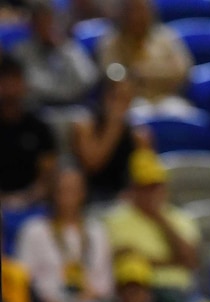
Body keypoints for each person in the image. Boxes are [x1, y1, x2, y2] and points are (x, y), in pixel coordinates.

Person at [104, 151, 201, 302]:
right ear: (134, 189)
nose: (153, 193)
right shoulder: (115, 219)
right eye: (146, 187)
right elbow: (118, 259)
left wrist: (159, 218)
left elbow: (190, 261)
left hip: (178, 292)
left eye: (157, 186)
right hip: (133, 293)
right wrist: (173, 261)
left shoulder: (181, 218)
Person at [16, 168, 114, 302]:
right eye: (63, 190)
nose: (68, 196)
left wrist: (92, 296)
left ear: (83, 193)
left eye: (73, 190)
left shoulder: (96, 231)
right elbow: (23, 279)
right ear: (53, 193)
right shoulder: (34, 231)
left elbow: (107, 283)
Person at [72, 70, 154, 203]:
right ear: (104, 96)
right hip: (89, 198)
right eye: (117, 97)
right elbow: (93, 165)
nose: (121, 105)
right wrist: (114, 125)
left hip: (125, 199)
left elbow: (147, 176)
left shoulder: (138, 134)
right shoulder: (85, 125)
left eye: (126, 98)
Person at [96, 0, 192, 110]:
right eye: (132, 11)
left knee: (181, 113)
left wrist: (142, 73)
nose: (137, 17)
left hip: (168, 98)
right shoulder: (111, 42)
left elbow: (182, 72)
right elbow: (113, 76)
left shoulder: (166, 37)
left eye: (142, 11)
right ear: (123, 15)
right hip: (132, 101)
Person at [11, 1, 98, 106]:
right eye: (41, 23)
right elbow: (30, 84)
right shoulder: (21, 51)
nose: (46, 27)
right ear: (32, 25)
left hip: (72, 107)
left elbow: (87, 78)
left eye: (49, 22)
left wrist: (64, 48)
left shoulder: (68, 47)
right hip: (38, 109)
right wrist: (64, 90)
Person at [0, 56, 57, 206]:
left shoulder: (38, 127)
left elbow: (47, 175)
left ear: (24, 84)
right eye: (4, 81)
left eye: (15, 80)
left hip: (32, 204)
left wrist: (25, 200)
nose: (10, 88)